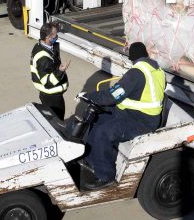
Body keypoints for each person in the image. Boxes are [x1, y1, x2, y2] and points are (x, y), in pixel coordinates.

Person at [81, 42, 167, 190]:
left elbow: (113, 95)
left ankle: (105, 176)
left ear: (132, 58)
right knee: (96, 119)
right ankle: (92, 159)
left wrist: (90, 96)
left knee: (104, 132)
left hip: (142, 120)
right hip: (137, 114)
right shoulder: (156, 69)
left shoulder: (136, 73)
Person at [30, 22, 69, 119]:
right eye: (55, 35)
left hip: (50, 95)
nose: (57, 37)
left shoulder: (41, 45)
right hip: (51, 97)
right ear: (48, 37)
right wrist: (60, 71)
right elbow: (47, 82)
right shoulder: (43, 58)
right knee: (57, 121)